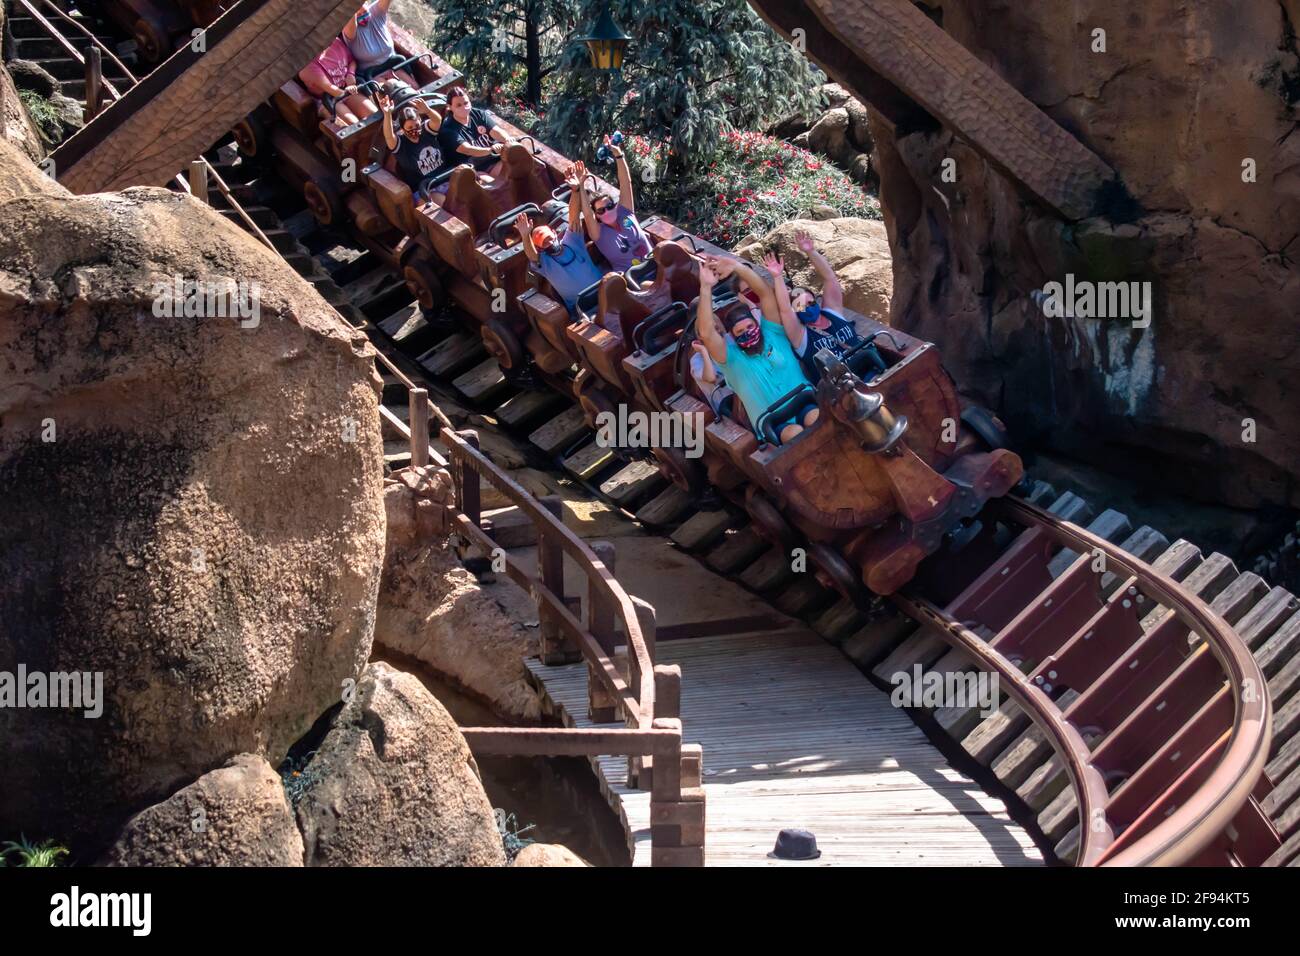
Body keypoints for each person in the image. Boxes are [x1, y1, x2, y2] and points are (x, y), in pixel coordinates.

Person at [695, 256, 818, 444]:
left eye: (750, 327)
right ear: (733, 337)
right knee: (796, 434)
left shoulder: (773, 335)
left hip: (805, 401)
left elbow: (766, 295)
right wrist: (705, 288)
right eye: (740, 331)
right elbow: (706, 332)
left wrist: (737, 267)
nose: (747, 333)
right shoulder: (730, 359)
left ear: (758, 325)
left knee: (816, 419)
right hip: (774, 422)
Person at [774, 230, 876, 382]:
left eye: (811, 302)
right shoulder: (800, 335)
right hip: (842, 387)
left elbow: (830, 278)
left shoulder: (832, 312)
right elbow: (785, 309)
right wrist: (777, 276)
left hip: (868, 368)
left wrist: (810, 251)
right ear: (796, 311)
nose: (808, 307)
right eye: (802, 306)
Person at [513, 162, 604, 314]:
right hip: (584, 308)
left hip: (604, 291)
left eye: (549, 238)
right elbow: (532, 255)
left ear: (555, 234)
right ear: (540, 248)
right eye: (544, 243)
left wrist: (575, 190)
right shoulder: (545, 263)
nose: (549, 242)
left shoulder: (571, 241)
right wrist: (525, 235)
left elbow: (573, 216)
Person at [577, 134, 651, 272]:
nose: (607, 211)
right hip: (635, 277)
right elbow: (587, 214)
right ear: (597, 216)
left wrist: (618, 154)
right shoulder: (599, 233)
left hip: (655, 263)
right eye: (601, 210)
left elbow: (625, 183)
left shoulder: (625, 212)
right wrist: (580, 184)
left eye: (609, 206)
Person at [379, 94, 452, 205]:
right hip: (425, 190)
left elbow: (437, 120)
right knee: (447, 204)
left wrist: (427, 110)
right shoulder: (401, 144)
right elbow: (389, 136)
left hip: (445, 178)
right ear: (403, 129)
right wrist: (387, 113)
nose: (414, 130)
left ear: (420, 120)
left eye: (416, 125)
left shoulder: (426, 132)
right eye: (410, 128)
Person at [298, 36, 375, 127]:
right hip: (328, 100)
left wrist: (350, 74)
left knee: (373, 114)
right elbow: (331, 89)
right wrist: (348, 91)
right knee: (354, 126)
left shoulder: (335, 42)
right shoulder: (308, 67)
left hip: (346, 90)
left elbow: (352, 61)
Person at [438, 87, 515, 178]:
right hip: (475, 170)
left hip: (496, 160)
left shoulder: (478, 114)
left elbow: (495, 131)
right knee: (491, 183)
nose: (464, 107)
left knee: (516, 166)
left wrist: (507, 139)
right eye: (459, 105)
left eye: (466, 103)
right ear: (450, 107)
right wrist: (490, 150)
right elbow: (467, 149)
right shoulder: (448, 129)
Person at [343, 1, 416, 85]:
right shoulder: (350, 31)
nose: (363, 13)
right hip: (372, 74)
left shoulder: (375, 12)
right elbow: (350, 16)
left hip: (394, 65)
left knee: (415, 89)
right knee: (393, 89)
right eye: (359, 14)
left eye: (365, 11)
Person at [689, 338, 738, 422]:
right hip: (729, 408)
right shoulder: (696, 361)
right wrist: (703, 351)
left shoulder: (729, 340)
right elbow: (711, 378)